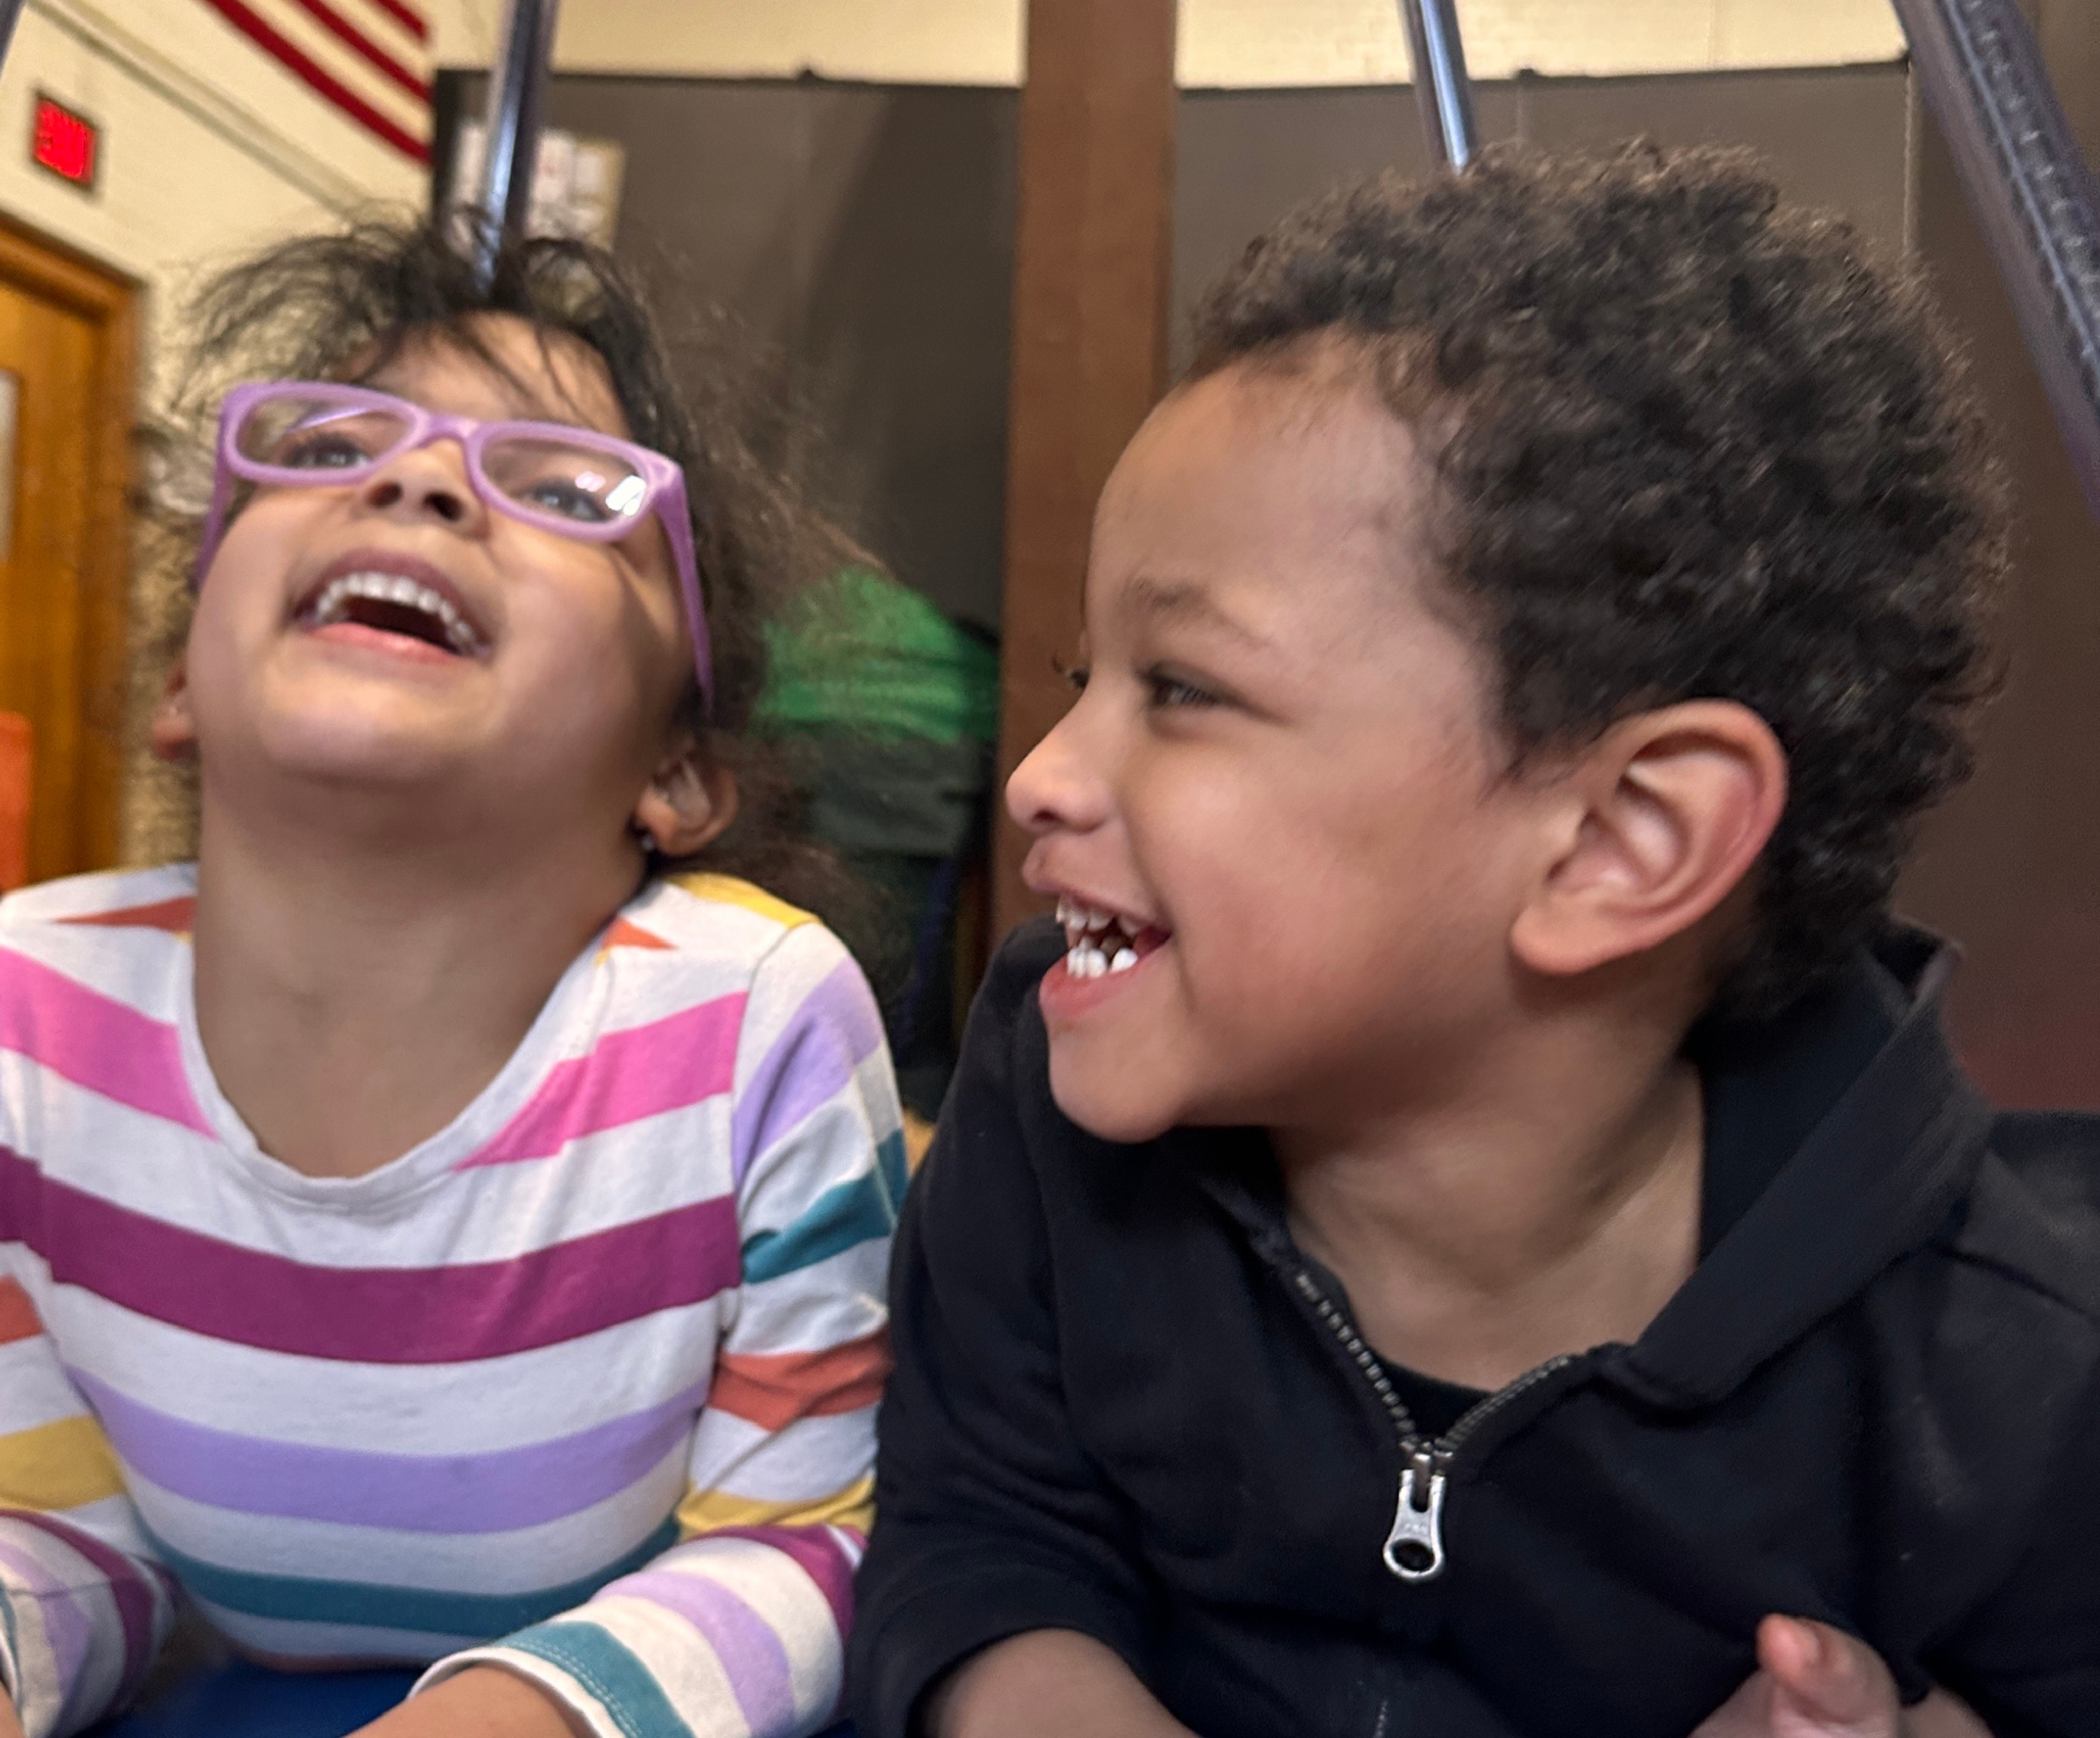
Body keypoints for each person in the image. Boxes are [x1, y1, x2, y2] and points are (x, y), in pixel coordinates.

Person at [850, 146, 2096, 1738]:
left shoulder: (2008, 1366)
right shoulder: (1047, 1095)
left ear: (1619, 842)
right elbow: (981, 1540)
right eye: (1081, 678)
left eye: (1182, 689)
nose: (1039, 775)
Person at [0, 217, 903, 1738]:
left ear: (678, 769)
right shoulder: (16, 1016)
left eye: (564, 490)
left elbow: (798, 1550)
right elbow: (59, 1524)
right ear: (182, 679)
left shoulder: (757, 1027)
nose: (419, 481)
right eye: (324, 447)